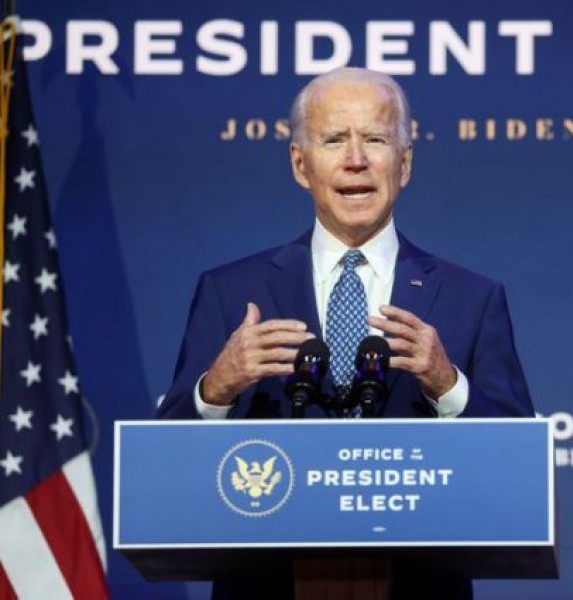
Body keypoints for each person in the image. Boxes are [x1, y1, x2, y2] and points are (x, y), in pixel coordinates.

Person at [156, 67, 534, 599]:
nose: (355, 160)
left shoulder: (472, 298)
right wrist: (215, 390)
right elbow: (160, 469)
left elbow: (521, 469)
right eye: (334, 140)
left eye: (375, 140)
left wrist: (449, 386)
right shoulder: (230, 291)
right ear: (299, 165)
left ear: (404, 163)